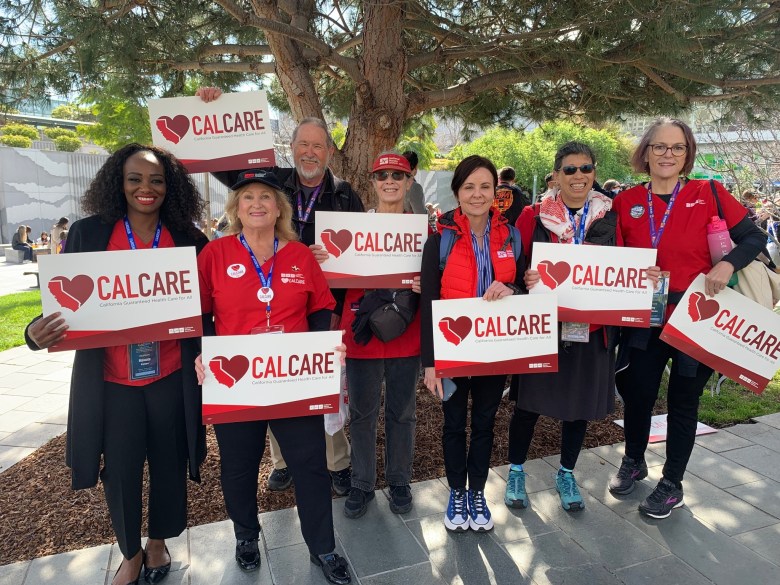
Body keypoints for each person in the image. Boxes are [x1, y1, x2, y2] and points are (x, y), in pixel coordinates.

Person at [24, 144, 208, 585]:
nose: (146, 188)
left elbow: (210, 307)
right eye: (135, 179)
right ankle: (130, 551)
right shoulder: (88, 234)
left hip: (170, 375)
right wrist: (34, 334)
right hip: (112, 380)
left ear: (172, 187)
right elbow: (60, 306)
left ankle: (160, 542)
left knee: (169, 463)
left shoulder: (189, 238)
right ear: (117, 182)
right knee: (121, 471)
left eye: (157, 180)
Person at [196, 86, 360, 496]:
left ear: (328, 152)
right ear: (291, 148)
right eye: (302, 144)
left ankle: (336, 461)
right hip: (266, 307)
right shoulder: (273, 184)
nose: (309, 152)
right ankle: (283, 461)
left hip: (323, 306)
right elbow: (230, 173)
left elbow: (361, 253)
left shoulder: (344, 195)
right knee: (270, 384)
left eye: (317, 146)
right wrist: (217, 108)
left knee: (320, 389)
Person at [195, 169, 352, 585]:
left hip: (293, 378)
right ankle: (246, 534)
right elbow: (202, 316)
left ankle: (323, 546)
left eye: (266, 197)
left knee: (310, 464)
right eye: (248, 198)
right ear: (236, 209)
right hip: (236, 380)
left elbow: (320, 309)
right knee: (239, 467)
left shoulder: (299, 255)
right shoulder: (216, 253)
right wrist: (205, 355)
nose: (258, 204)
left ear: (280, 207)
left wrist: (326, 350)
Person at [610, 118, 766, 519]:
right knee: (637, 392)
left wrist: (727, 265)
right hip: (646, 314)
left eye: (677, 147)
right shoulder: (626, 201)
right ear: (645, 152)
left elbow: (754, 237)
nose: (668, 154)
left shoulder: (709, 192)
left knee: (683, 400)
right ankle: (633, 460)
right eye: (659, 147)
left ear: (687, 154)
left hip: (697, 315)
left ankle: (672, 483)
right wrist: (634, 269)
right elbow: (615, 259)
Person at [506, 142, 656, 512]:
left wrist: (645, 276)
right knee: (527, 405)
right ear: (556, 174)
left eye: (585, 169)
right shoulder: (532, 215)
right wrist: (525, 277)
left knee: (578, 407)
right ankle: (515, 470)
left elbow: (624, 266)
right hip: (542, 327)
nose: (578, 176)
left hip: (592, 331)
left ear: (594, 173)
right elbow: (513, 264)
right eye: (569, 169)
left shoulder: (610, 216)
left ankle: (567, 472)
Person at [420, 155, 525, 532]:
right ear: (457, 192)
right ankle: (457, 492)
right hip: (452, 348)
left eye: (485, 186)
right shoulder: (440, 240)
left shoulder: (511, 236)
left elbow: (525, 288)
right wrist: (430, 363)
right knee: (453, 425)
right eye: (469, 187)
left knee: (483, 423)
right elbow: (429, 303)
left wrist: (510, 287)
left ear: (496, 192)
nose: (477, 195)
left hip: (494, 351)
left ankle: (477, 491)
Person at [341, 152, 422, 519]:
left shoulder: (424, 230)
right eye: (382, 175)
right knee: (361, 415)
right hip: (363, 333)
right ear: (373, 183)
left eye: (397, 175)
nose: (389, 181)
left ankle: (399, 479)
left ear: (409, 182)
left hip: (407, 334)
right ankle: (361, 482)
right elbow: (339, 280)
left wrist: (425, 283)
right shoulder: (354, 228)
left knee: (402, 413)